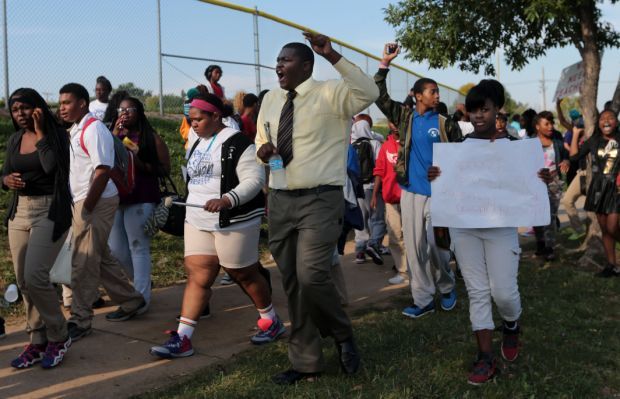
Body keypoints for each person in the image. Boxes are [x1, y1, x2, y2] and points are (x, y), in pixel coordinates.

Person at [256, 32, 378, 384]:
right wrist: (263, 148)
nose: (279, 65)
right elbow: (262, 136)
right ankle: (306, 361)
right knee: (293, 283)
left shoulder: (331, 92)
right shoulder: (271, 99)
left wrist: (332, 55)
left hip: (320, 199)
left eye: (286, 59)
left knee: (312, 274)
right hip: (279, 198)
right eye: (277, 60)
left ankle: (342, 334)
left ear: (306, 65)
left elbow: (369, 92)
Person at [428, 79, 550, 385]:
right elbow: (448, 188)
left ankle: (511, 324)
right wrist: (437, 177)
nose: (479, 115)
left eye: (485, 109)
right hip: (465, 229)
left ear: (497, 110)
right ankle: (485, 357)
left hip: (500, 230)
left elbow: (527, 186)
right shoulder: (458, 152)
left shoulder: (514, 150)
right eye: (473, 110)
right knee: (478, 292)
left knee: (504, 293)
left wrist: (540, 178)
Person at [150, 93, 284, 358]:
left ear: (215, 116)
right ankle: (183, 338)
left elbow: (254, 179)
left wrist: (227, 199)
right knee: (198, 276)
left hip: (234, 219)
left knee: (242, 273)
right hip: (197, 219)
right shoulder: (195, 142)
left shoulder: (238, 142)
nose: (194, 124)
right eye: (191, 120)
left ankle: (271, 321)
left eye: (199, 119)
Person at [375, 43, 460, 319]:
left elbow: (460, 158)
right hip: (411, 192)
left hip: (439, 194)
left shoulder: (446, 123)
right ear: (418, 95)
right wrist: (384, 64)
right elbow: (380, 96)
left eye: (437, 91)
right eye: (432, 91)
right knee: (414, 249)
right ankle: (422, 299)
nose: (436, 95)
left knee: (437, 246)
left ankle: (447, 286)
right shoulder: (406, 118)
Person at [58, 83, 145, 342]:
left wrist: (86, 208)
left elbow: (103, 170)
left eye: (67, 102)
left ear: (82, 103)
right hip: (84, 201)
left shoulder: (93, 129)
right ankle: (131, 301)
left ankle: (80, 319)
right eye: (60, 103)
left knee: (84, 260)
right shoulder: (76, 130)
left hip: (94, 201)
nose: (61, 107)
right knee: (100, 256)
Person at [3, 88, 72, 368]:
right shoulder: (15, 139)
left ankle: (59, 334)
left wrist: (42, 130)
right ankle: (37, 339)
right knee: (23, 280)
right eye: (15, 109)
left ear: (38, 108)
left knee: (36, 276)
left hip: (49, 210)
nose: (20, 114)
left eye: (25, 108)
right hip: (19, 212)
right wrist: (5, 180)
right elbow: (5, 171)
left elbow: (50, 167)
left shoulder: (57, 136)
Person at [108, 97, 171, 309]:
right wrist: (114, 136)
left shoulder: (150, 138)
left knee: (138, 247)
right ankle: (141, 282)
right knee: (116, 250)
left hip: (141, 197)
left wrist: (139, 162)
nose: (124, 113)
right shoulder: (111, 135)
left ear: (140, 112)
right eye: (121, 109)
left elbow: (164, 169)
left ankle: (141, 299)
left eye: (130, 109)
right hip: (117, 198)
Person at [569, 109, 620, 277]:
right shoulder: (594, 141)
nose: (606, 121)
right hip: (598, 189)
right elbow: (575, 157)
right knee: (605, 229)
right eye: (602, 118)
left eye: (610, 118)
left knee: (613, 227)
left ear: (616, 122)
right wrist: (576, 134)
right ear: (598, 123)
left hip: (616, 188)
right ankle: (611, 266)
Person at [371, 121, 408, 284]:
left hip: (410, 198)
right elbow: (379, 171)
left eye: (397, 121)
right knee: (394, 236)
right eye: (391, 122)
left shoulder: (411, 144)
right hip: (391, 199)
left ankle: (418, 270)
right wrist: (374, 195)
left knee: (412, 237)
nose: (394, 125)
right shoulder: (385, 146)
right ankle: (403, 272)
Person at [533, 111, 569, 261]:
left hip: (554, 184)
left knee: (550, 217)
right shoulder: (530, 143)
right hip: (535, 184)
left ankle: (549, 247)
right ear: (537, 126)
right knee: (535, 216)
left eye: (551, 123)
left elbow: (566, 156)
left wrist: (566, 162)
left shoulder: (558, 142)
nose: (550, 126)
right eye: (546, 123)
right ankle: (540, 244)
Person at [350, 115, 385, 265]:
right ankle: (374, 244)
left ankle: (360, 251)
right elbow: (379, 167)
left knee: (361, 220)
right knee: (376, 218)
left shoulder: (351, 145)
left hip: (356, 189)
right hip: (372, 186)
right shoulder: (375, 144)